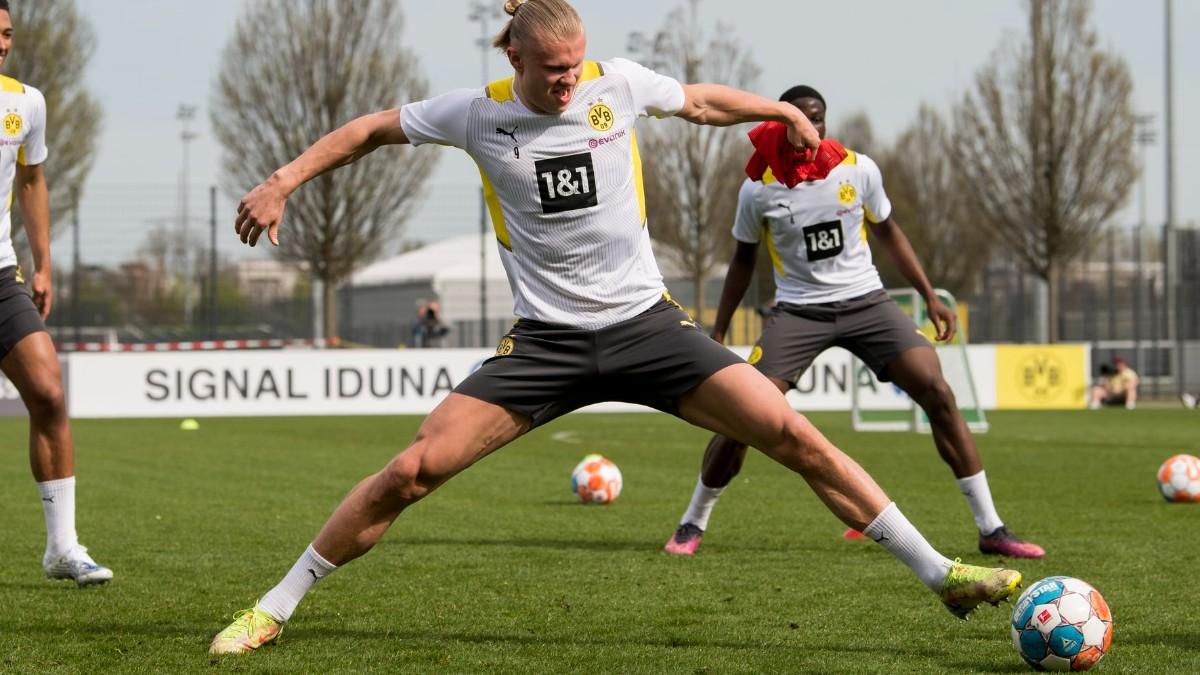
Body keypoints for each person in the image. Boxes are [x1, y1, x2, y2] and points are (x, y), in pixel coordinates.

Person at [209, 0, 1020, 655]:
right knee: (411, 470)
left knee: (789, 431)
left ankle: (942, 572)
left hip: (646, 328)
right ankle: (274, 607)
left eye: (576, 67)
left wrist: (775, 106)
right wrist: (282, 180)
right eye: (554, 71)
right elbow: (369, 130)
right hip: (547, 345)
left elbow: (701, 102)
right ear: (515, 61)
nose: (570, 83)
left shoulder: (615, 87)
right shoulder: (474, 115)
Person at [664, 86, 1044, 560]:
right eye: (800, 119)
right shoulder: (758, 187)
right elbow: (742, 261)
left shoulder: (857, 169)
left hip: (867, 303)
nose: (811, 128)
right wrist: (719, 331)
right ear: (782, 122)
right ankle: (692, 521)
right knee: (747, 411)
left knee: (939, 392)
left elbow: (889, 232)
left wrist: (929, 296)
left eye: (819, 119)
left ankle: (992, 529)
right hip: (798, 311)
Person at [0, 1, 112, 586]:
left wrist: (43, 265)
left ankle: (62, 548)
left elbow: (32, 178)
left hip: (0, 276)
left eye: (7, 34)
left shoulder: (25, 102)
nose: (1, 44)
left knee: (47, 390)